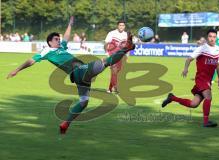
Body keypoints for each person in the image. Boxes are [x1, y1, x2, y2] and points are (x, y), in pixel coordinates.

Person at [7, 16, 135, 134]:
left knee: (84, 102)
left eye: (58, 39)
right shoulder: (47, 51)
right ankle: (127, 48)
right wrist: (17, 70)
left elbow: (67, 37)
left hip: (79, 76)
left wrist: (69, 24)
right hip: (80, 70)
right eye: (56, 39)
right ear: (50, 42)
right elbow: (31, 61)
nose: (59, 41)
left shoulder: (60, 47)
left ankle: (65, 124)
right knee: (105, 62)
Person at [162, 29, 219, 127]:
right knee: (208, 96)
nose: (212, 39)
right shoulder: (202, 48)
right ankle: (206, 122)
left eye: (214, 37)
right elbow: (189, 59)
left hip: (208, 80)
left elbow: (218, 65)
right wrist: (185, 69)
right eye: (210, 36)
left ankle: (172, 98)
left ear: (216, 38)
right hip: (201, 79)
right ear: (207, 37)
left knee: (193, 104)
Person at [105, 20, 128, 93]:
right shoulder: (112, 33)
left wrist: (127, 55)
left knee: (116, 72)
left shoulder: (126, 34)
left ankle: (109, 88)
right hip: (112, 55)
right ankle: (116, 88)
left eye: (123, 25)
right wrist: (107, 54)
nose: (121, 27)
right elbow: (106, 43)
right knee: (114, 71)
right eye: (120, 25)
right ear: (117, 26)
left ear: (124, 26)